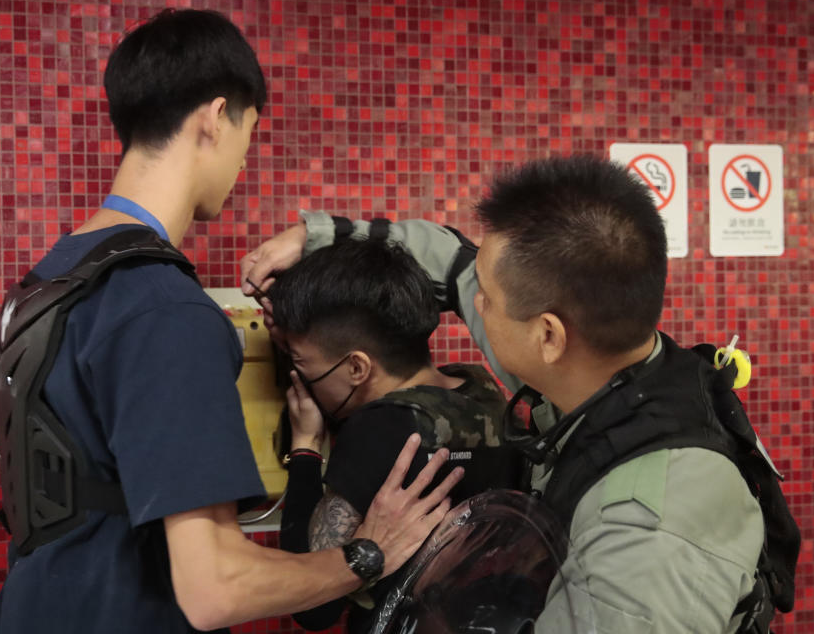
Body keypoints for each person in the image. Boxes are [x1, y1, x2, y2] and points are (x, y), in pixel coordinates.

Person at [0, 9, 462, 634]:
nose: (243, 163)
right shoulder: (163, 308)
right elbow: (214, 587)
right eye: (249, 132)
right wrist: (364, 557)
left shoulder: (47, 280)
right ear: (215, 118)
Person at [241, 156, 771, 633]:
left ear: (547, 336)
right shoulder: (597, 372)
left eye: (486, 299)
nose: (471, 305)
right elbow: (451, 263)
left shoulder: (647, 530)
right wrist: (317, 238)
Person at [261, 238, 519, 633]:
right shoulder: (482, 392)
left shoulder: (378, 429)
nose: (302, 377)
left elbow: (313, 607)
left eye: (301, 363)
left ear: (357, 368)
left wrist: (306, 447)